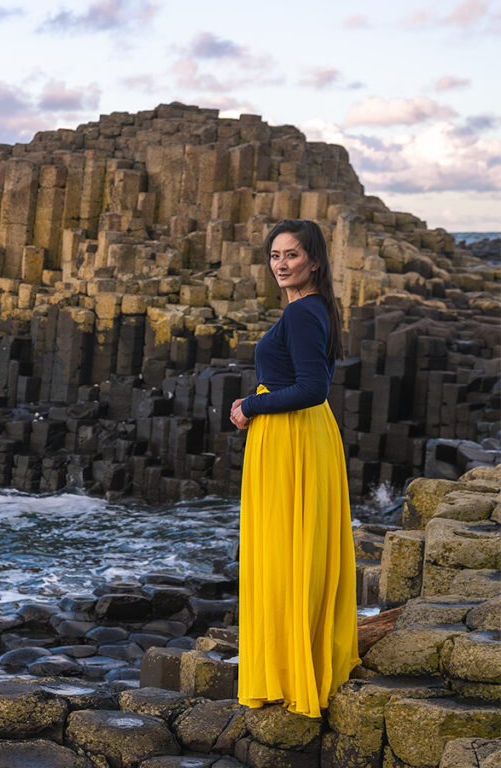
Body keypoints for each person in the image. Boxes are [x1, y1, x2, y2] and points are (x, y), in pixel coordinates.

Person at [229, 218, 359, 719]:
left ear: (315, 261)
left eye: (291, 256)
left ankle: (290, 674)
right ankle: (300, 662)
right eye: (275, 256)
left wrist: (251, 405)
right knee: (298, 550)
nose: (281, 265)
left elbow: (312, 388)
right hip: (305, 435)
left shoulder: (304, 312)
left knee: (285, 553)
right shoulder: (316, 307)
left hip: (292, 437)